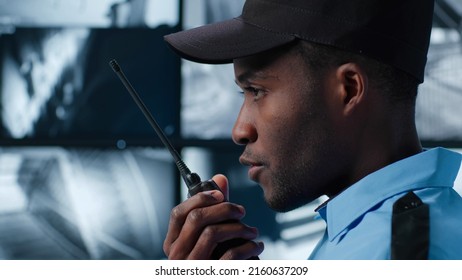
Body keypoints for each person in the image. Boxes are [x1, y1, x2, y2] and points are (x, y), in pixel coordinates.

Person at [162, 0, 462, 259]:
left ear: (348, 89)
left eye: (257, 91)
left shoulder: (406, 251)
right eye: (244, 94)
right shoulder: (375, 236)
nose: (240, 130)